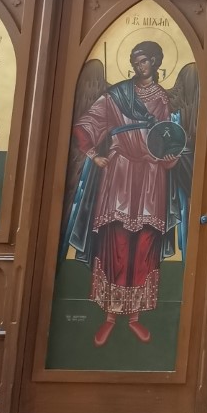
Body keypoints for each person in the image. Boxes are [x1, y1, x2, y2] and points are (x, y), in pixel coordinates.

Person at [63, 41, 191, 346]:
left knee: (145, 242)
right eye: (135, 60)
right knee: (116, 241)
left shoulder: (164, 100)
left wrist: (170, 159)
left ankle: (134, 316)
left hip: (151, 175)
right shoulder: (117, 95)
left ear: (156, 62)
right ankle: (109, 316)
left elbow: (169, 140)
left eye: (144, 60)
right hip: (119, 171)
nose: (138, 65)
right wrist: (94, 154)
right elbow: (85, 125)